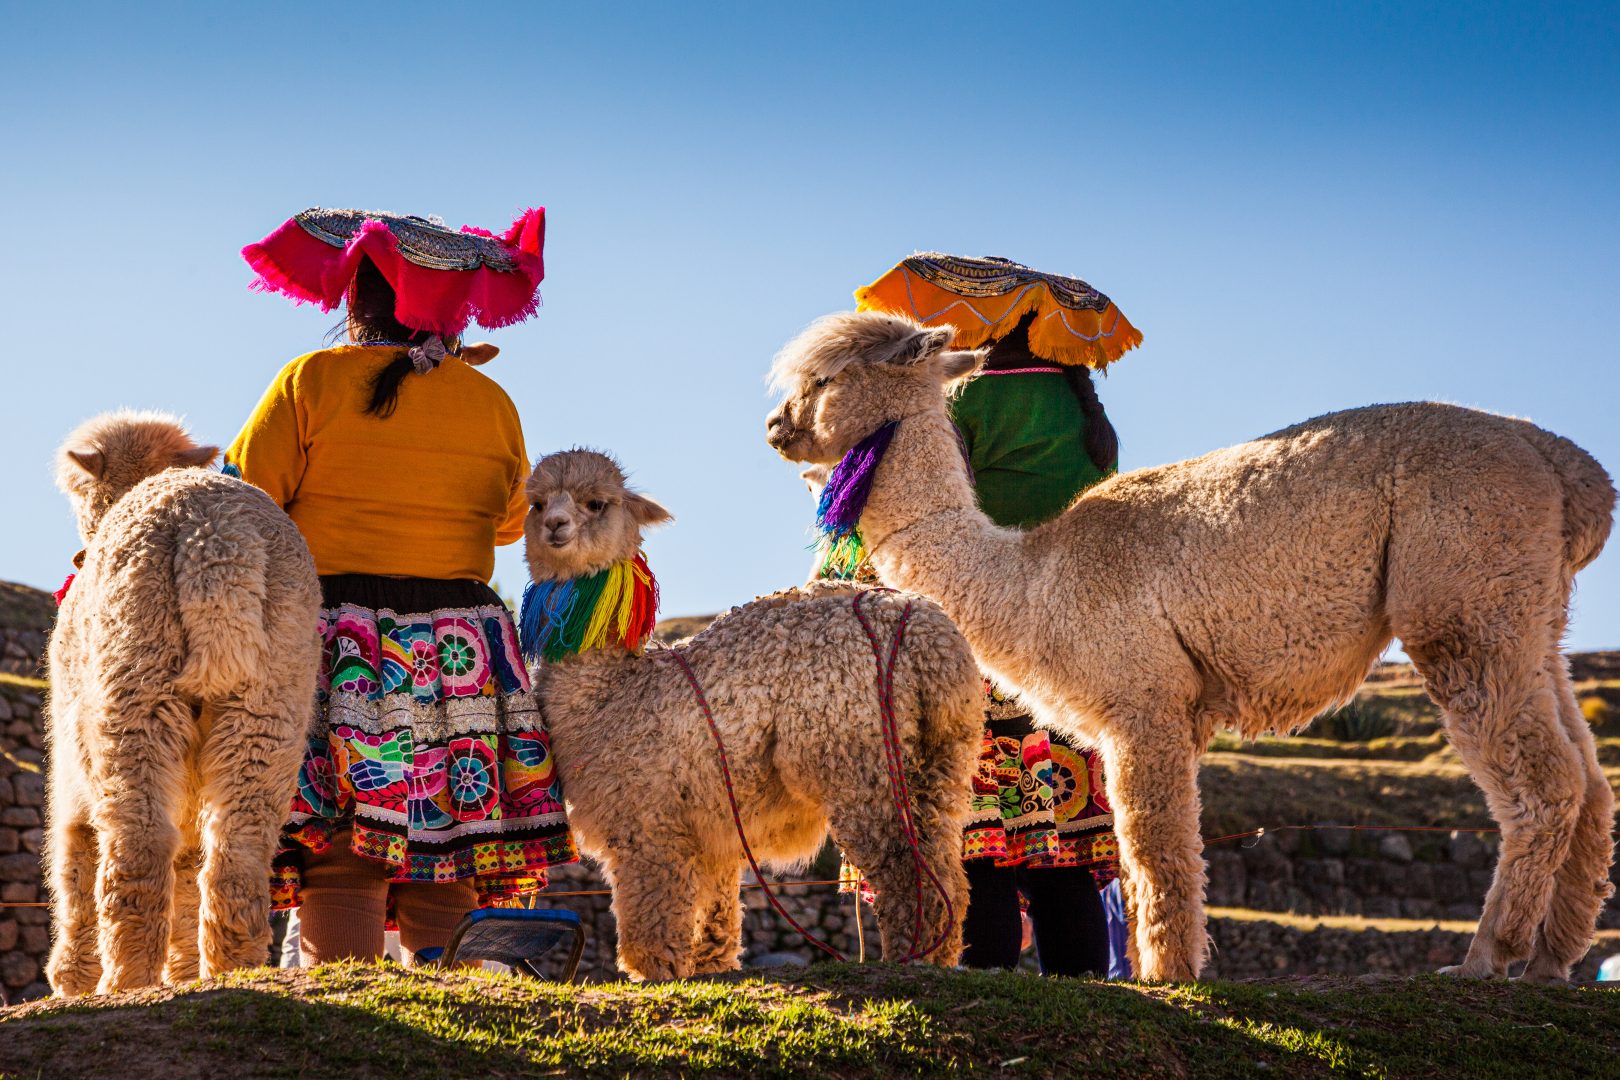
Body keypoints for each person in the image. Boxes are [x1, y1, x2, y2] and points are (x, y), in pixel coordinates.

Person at [227, 207, 576, 965]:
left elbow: (248, 498)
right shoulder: (493, 403)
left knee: (344, 851)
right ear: (452, 311)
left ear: (357, 301)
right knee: (448, 846)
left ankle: (349, 1022)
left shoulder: (309, 380)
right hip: (462, 646)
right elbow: (510, 521)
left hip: (337, 638)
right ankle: (451, 1016)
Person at [854, 253, 1142, 976]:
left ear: (980, 321)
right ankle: (1081, 996)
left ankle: (985, 990)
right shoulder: (1084, 412)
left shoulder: (962, 398)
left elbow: (916, 506)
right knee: (1060, 844)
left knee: (978, 834)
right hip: (1071, 647)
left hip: (974, 636)